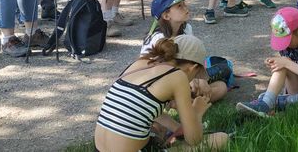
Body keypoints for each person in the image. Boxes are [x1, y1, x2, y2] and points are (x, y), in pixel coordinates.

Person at [95, 35, 228, 151]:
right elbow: (193, 139)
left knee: (157, 129)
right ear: (192, 67)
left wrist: (176, 126)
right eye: (196, 75)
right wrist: (197, 113)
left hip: (99, 148)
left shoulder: (142, 62)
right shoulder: (178, 76)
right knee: (221, 139)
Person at [236, 7, 298, 117]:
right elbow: (288, 74)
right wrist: (280, 63)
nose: (284, 44)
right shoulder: (285, 47)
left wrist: (287, 63)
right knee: (281, 64)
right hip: (296, 90)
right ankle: (267, 103)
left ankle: (284, 102)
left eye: (286, 40)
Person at [141, 0, 227, 102]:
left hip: (186, 74)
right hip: (162, 83)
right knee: (219, 79)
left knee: (222, 82)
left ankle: (188, 101)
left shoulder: (187, 28)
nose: (186, 8)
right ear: (166, 15)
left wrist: (200, 78)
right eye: (179, 6)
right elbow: (154, 74)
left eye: (184, 4)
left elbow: (193, 58)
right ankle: (184, 102)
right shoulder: (158, 38)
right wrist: (188, 81)